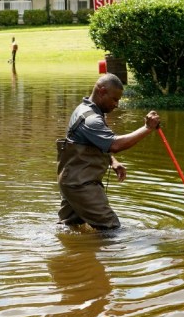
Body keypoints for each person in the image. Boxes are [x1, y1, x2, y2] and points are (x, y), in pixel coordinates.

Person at [57, 73, 160, 230]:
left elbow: (93, 144)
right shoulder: (90, 119)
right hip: (80, 184)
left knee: (69, 227)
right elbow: (115, 145)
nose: (116, 104)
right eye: (114, 99)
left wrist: (113, 162)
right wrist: (147, 128)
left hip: (70, 181)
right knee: (111, 228)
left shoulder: (85, 110)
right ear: (101, 91)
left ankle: (71, 253)